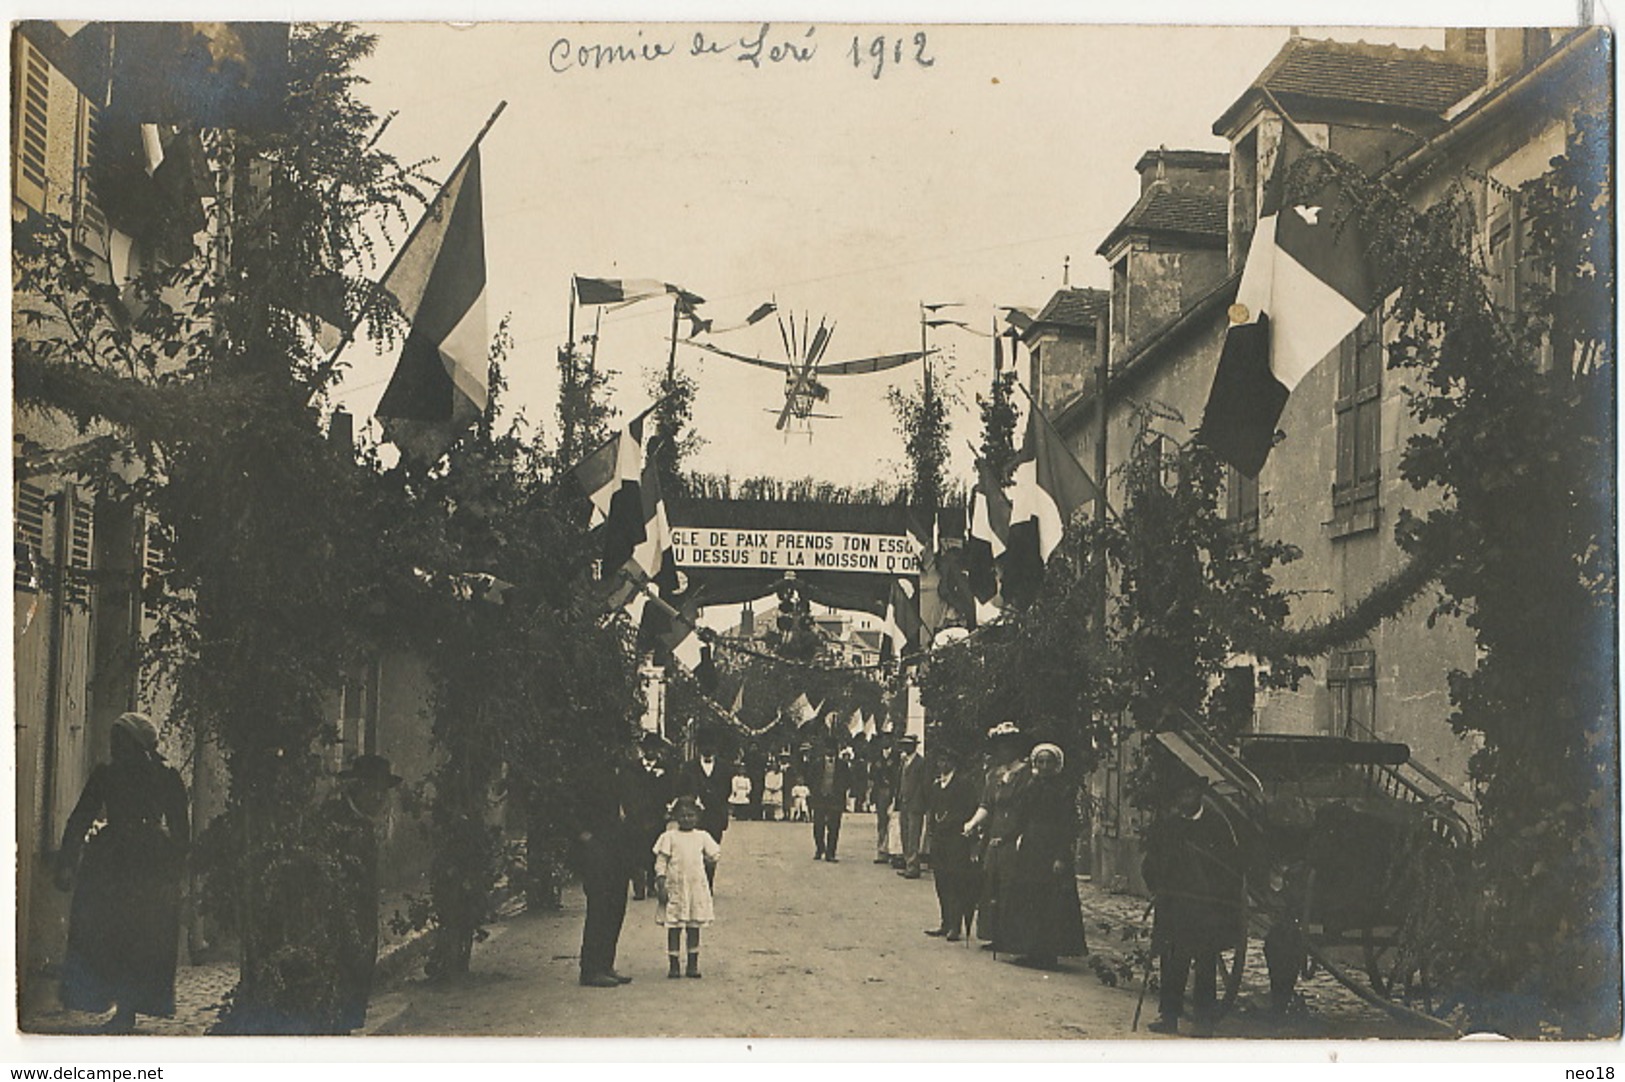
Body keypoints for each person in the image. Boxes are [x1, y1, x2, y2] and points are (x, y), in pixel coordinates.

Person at [54, 712, 189, 1033]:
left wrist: (173, 864)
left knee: (142, 936)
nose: (115, 746)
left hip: (147, 866)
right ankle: (109, 1000)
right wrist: (67, 862)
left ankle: (130, 1006)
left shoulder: (165, 776)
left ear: (138, 743)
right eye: (113, 740)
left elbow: (181, 828)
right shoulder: (107, 775)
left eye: (121, 740)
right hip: (111, 865)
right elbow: (80, 818)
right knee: (107, 931)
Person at [1141, 775, 1245, 1036]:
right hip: (1174, 902)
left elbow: (1231, 866)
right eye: (1181, 794)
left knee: (1205, 959)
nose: (1186, 798)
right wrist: (1157, 887)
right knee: (1173, 958)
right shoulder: (1168, 826)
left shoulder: (1216, 826)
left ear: (1199, 794)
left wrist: (1219, 897)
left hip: (1205, 905)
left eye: (1191, 792)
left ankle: (1204, 1020)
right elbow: (1151, 861)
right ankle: (1169, 1016)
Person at [328, 753, 403, 1031]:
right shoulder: (338, 822)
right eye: (373, 790)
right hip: (338, 925)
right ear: (357, 787)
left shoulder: (365, 824)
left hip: (361, 925)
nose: (379, 797)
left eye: (383, 791)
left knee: (353, 997)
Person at [1000, 743, 1087, 969]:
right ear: (1035, 764)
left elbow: (1067, 825)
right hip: (1031, 849)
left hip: (1052, 848)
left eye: (1049, 762)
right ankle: (1029, 949)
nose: (1045, 766)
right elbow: (1021, 818)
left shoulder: (1064, 790)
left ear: (1057, 764)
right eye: (1040, 762)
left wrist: (1060, 856)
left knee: (1051, 903)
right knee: (1029, 898)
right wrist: (1006, 838)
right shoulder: (1031, 787)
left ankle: (1048, 953)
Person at [961, 721, 1033, 951]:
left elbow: (1028, 807)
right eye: (999, 746)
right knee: (992, 883)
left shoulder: (1026, 774)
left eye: (1006, 746)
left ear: (1015, 747)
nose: (1002, 751)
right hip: (995, 833)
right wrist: (972, 823)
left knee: (1011, 884)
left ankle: (1012, 936)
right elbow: (986, 804)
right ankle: (995, 934)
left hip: (1015, 834)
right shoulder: (993, 775)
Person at [575, 742, 636, 989]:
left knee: (616, 906)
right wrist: (582, 834)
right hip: (597, 849)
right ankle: (590, 969)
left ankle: (606, 964)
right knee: (599, 907)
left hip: (619, 850)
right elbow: (570, 806)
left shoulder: (625, 773)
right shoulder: (588, 773)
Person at [654, 796, 721, 979]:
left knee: (693, 925)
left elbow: (715, 854)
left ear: (697, 817)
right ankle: (674, 965)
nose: (687, 819)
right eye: (682, 816)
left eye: (691, 815)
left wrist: (710, 859)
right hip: (675, 886)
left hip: (694, 888)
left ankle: (692, 964)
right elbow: (661, 861)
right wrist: (661, 881)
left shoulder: (702, 836)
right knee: (674, 926)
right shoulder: (669, 837)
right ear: (675, 816)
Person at [924, 745, 981, 940]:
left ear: (954, 763)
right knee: (941, 881)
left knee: (956, 881)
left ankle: (955, 926)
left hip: (957, 838)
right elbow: (931, 809)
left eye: (946, 761)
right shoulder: (936, 784)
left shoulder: (964, 784)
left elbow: (970, 809)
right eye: (940, 760)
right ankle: (945, 921)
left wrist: (953, 821)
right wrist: (932, 829)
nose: (942, 764)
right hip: (940, 839)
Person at [623, 733, 674, 901]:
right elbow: (626, 792)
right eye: (648, 748)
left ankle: (652, 883)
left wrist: (667, 810)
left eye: (654, 748)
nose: (651, 751)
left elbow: (670, 791)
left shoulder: (666, 768)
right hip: (635, 815)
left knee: (655, 849)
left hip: (656, 815)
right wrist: (628, 811)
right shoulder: (631, 768)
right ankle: (638, 885)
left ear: (659, 750)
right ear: (643, 749)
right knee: (635, 850)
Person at [677, 734, 732, 888]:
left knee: (712, 851)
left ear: (715, 748)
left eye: (711, 746)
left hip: (716, 815)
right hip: (696, 816)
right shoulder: (689, 767)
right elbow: (682, 789)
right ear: (699, 748)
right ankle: (696, 883)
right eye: (705, 746)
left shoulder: (724, 767)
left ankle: (708, 883)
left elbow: (727, 790)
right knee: (694, 851)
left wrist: (713, 801)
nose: (708, 749)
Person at [807, 743, 851, 861]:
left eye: (832, 748)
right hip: (820, 799)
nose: (830, 751)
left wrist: (839, 791)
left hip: (835, 800)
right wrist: (816, 791)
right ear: (825, 749)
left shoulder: (843, 765)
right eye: (828, 748)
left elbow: (848, 780)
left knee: (834, 827)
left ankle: (831, 853)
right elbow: (810, 779)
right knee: (818, 826)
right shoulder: (817, 764)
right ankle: (820, 848)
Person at [895, 733, 929, 879]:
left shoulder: (921, 762)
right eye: (904, 744)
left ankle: (913, 866)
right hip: (903, 802)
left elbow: (924, 784)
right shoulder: (903, 761)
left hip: (915, 804)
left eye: (908, 745)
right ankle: (907, 862)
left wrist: (920, 801)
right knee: (905, 834)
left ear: (914, 746)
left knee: (913, 836)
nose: (905, 747)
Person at [870, 742, 896, 864]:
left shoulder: (896, 758)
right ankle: (881, 851)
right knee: (882, 822)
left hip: (892, 792)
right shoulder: (877, 758)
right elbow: (872, 777)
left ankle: (892, 851)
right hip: (880, 791)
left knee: (893, 823)